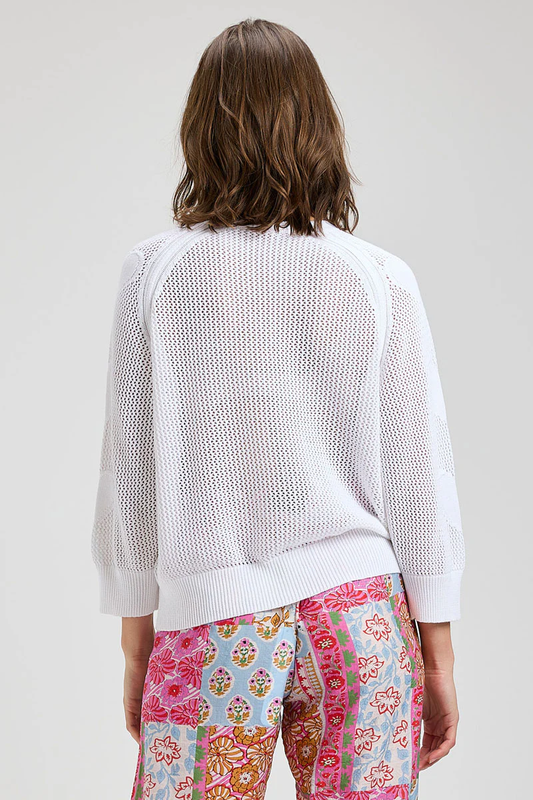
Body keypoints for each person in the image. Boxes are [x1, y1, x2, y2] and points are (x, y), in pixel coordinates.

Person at [91, 17, 465, 800]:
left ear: (200, 129)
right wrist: (437, 655)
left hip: (214, 623)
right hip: (361, 620)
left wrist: (137, 634)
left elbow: (131, 470)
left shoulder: (156, 272)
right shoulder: (377, 277)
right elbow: (417, 473)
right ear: (318, 126)